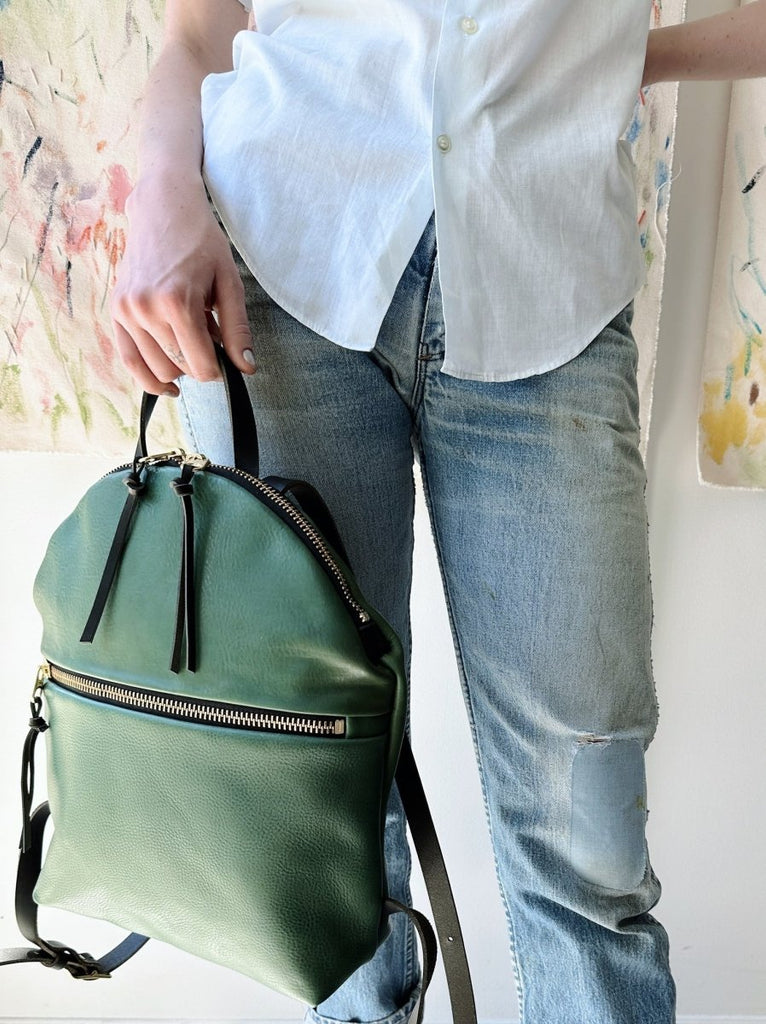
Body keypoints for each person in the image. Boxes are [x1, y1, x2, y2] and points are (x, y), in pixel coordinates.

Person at [109, 3, 766, 1022]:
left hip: (548, 273)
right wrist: (160, 188)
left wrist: (615, 54)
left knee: (584, 828)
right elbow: (201, 27)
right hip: (279, 262)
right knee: (322, 806)